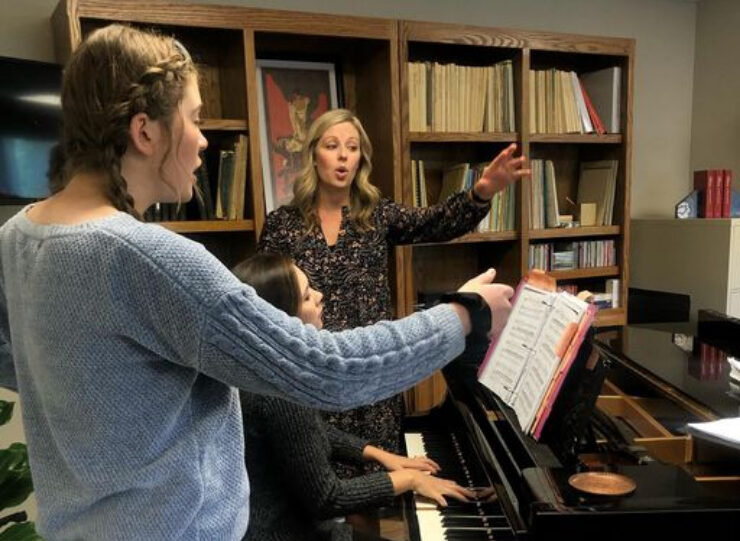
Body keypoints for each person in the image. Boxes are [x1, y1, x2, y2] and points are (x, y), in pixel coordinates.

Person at [0, 24, 515, 540]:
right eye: (194, 118)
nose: (204, 140)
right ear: (145, 132)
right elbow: (326, 370)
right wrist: (464, 313)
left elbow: (22, 362)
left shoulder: (16, 238)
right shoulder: (152, 259)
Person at [258, 108, 529, 475]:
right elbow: (267, 300)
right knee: (322, 486)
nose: (343, 156)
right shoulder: (282, 224)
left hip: (375, 374)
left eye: (352, 147)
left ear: (361, 158)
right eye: (332, 146)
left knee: (382, 482)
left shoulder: (376, 215)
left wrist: (482, 191)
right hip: (315, 376)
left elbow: (435, 223)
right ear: (313, 154)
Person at [234, 253, 476, 541]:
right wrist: (410, 479)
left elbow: (305, 434)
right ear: (282, 318)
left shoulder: (261, 370)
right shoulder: (281, 391)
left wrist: (378, 454)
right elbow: (328, 497)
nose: (320, 296)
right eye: (308, 296)